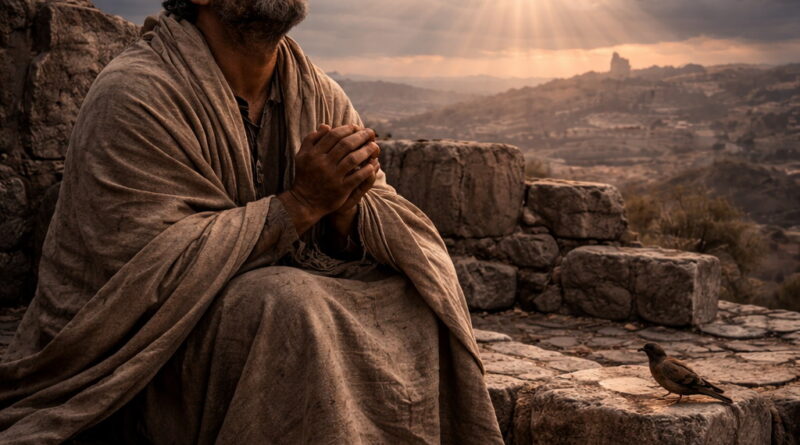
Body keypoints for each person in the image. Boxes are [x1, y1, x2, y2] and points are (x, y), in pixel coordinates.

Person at [0, 0, 504, 443]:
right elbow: (142, 273)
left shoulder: (320, 95)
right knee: (287, 304)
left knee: (418, 296)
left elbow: (386, 214)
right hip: (141, 356)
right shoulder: (134, 94)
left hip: (256, 314)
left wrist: (347, 205)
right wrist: (302, 203)